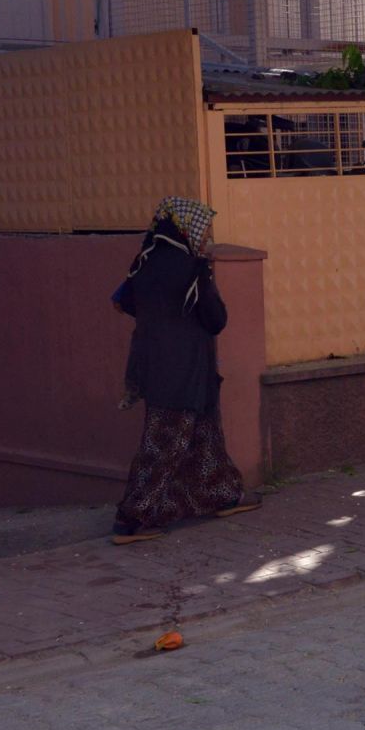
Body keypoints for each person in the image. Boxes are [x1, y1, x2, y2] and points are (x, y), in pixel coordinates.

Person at [111, 197, 260, 545]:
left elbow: (123, 302)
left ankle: (225, 494)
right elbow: (216, 320)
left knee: (204, 436)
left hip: (155, 365)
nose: (206, 234)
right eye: (203, 228)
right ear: (184, 228)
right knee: (164, 442)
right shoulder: (192, 267)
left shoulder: (142, 264)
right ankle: (133, 517)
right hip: (183, 370)